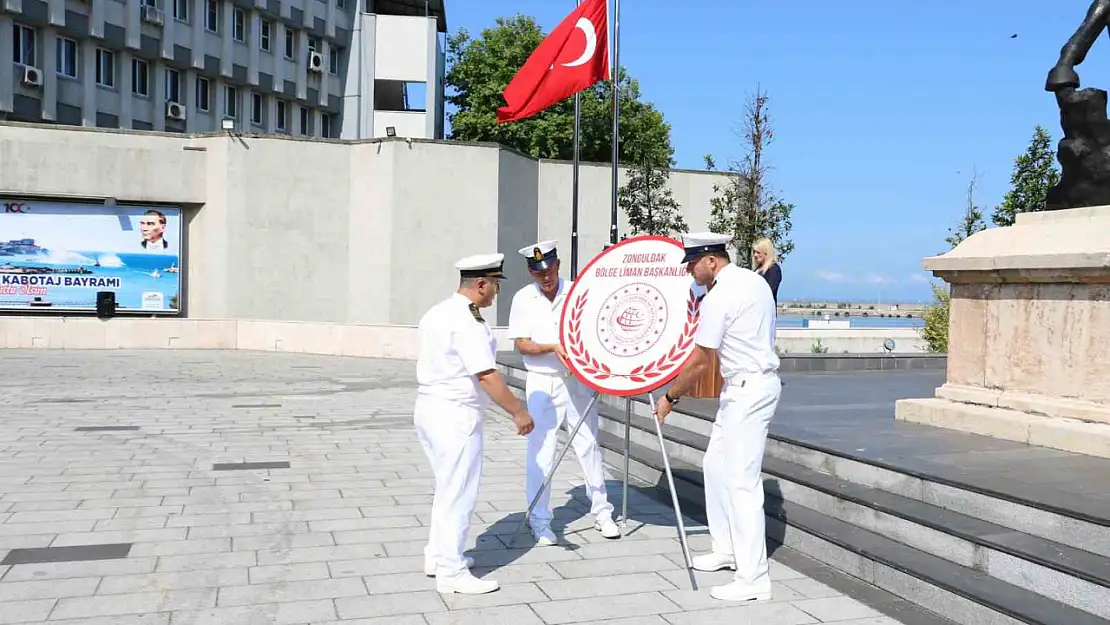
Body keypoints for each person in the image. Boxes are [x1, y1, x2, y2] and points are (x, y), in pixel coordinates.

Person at [653, 232, 781, 603]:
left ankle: (754, 577)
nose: (689, 271)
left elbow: (699, 360)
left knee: (742, 482)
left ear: (711, 260)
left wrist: (670, 397)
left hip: (748, 390)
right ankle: (726, 549)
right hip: (744, 388)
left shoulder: (721, 294)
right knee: (714, 466)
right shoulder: (752, 281)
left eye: (692, 264)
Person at [414, 253, 535, 595]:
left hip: (429, 409)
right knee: (459, 492)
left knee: (446, 487)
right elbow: (486, 375)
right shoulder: (466, 321)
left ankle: (437, 556)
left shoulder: (437, 312)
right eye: (494, 285)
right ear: (480, 284)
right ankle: (451, 572)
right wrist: (518, 411)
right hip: (455, 415)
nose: (496, 293)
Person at [507, 240, 620, 545]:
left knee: (588, 444)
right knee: (542, 450)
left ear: (558, 265)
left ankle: (602, 511)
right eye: (538, 272)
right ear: (531, 271)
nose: (546, 277)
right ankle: (540, 520)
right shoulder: (523, 298)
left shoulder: (577, 291)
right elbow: (522, 344)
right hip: (543, 381)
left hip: (576, 380)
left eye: (550, 269)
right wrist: (553, 347)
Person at [751, 237, 782, 304]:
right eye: (754, 252)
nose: (755, 255)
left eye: (758, 252)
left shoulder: (774, 269)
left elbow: (769, 290)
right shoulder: (757, 269)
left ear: (766, 253)